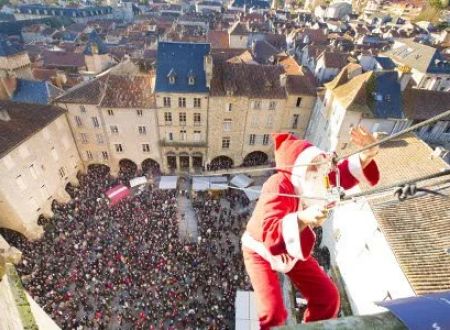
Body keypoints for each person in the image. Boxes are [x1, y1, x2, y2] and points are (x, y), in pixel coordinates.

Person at [242, 126, 380, 329]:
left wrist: (368, 153)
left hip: (291, 249)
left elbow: (342, 173)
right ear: (299, 170)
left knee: (329, 297)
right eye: (314, 167)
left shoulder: (315, 178)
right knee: (272, 315)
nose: (322, 173)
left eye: (321, 165)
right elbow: (271, 237)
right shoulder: (278, 184)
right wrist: (302, 218)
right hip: (259, 250)